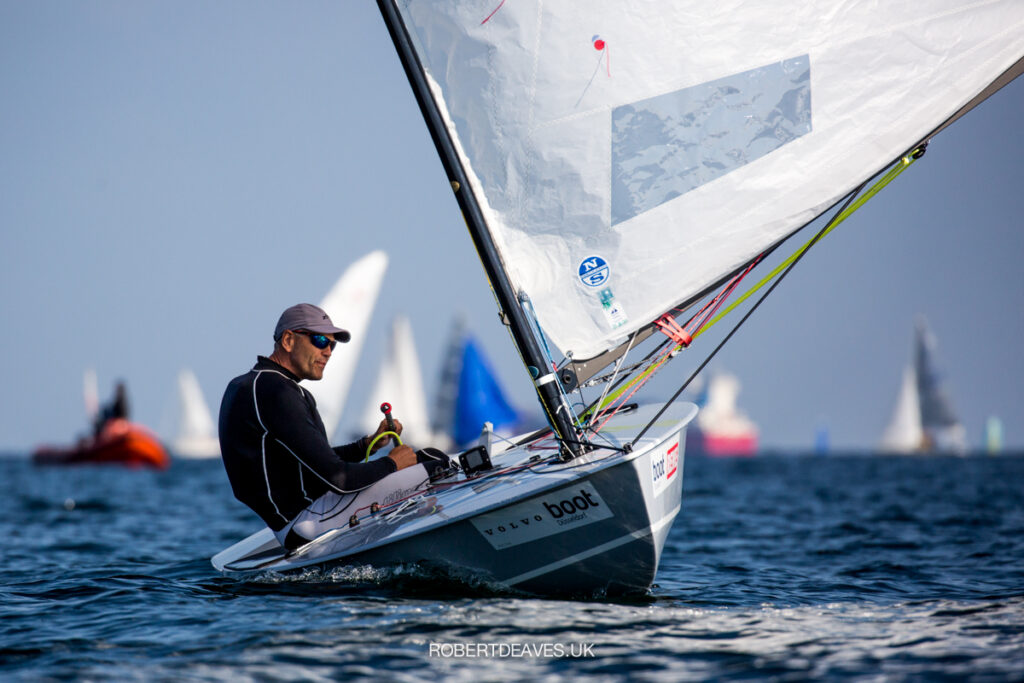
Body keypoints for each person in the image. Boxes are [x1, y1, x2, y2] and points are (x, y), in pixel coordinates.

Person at [218, 303, 450, 551]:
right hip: (309, 523)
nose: (328, 351)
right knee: (436, 463)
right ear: (288, 340)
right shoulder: (277, 391)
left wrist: (365, 445)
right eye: (319, 340)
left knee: (423, 460)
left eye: (333, 344)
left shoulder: (248, 385)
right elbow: (339, 480)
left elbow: (307, 465)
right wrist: (392, 463)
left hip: (297, 524)